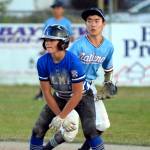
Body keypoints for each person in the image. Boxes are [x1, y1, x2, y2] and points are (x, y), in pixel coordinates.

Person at [46, 7, 116, 150]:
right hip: (71, 89)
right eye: (89, 21)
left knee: (103, 124)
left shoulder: (108, 46)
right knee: (69, 135)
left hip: (89, 88)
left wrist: (108, 82)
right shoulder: (78, 46)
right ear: (86, 24)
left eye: (97, 20)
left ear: (104, 24)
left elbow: (108, 67)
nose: (93, 24)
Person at [30, 24, 105, 150]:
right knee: (38, 128)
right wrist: (61, 117)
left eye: (52, 40)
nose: (47, 43)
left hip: (83, 96)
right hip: (59, 96)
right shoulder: (42, 62)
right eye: (46, 40)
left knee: (90, 131)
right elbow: (47, 93)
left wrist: (61, 117)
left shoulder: (73, 62)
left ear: (63, 42)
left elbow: (77, 94)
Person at [34, 0, 74, 100]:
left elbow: (71, 37)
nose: (56, 10)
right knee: (46, 73)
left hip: (61, 53)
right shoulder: (48, 22)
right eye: (54, 8)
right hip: (50, 53)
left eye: (58, 8)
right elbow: (45, 37)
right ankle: (42, 93)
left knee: (64, 73)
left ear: (62, 9)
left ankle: (67, 93)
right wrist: (45, 49)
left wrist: (63, 44)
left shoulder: (66, 22)